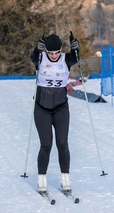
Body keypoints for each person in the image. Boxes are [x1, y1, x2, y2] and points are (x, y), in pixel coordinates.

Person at [30, 31, 79, 193]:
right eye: (50, 53)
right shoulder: (40, 58)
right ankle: (41, 180)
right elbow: (33, 57)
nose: (53, 56)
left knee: (62, 143)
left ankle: (65, 179)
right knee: (46, 145)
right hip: (42, 108)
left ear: (60, 50)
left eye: (56, 52)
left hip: (60, 107)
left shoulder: (66, 59)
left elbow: (75, 58)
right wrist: (38, 49)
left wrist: (75, 48)